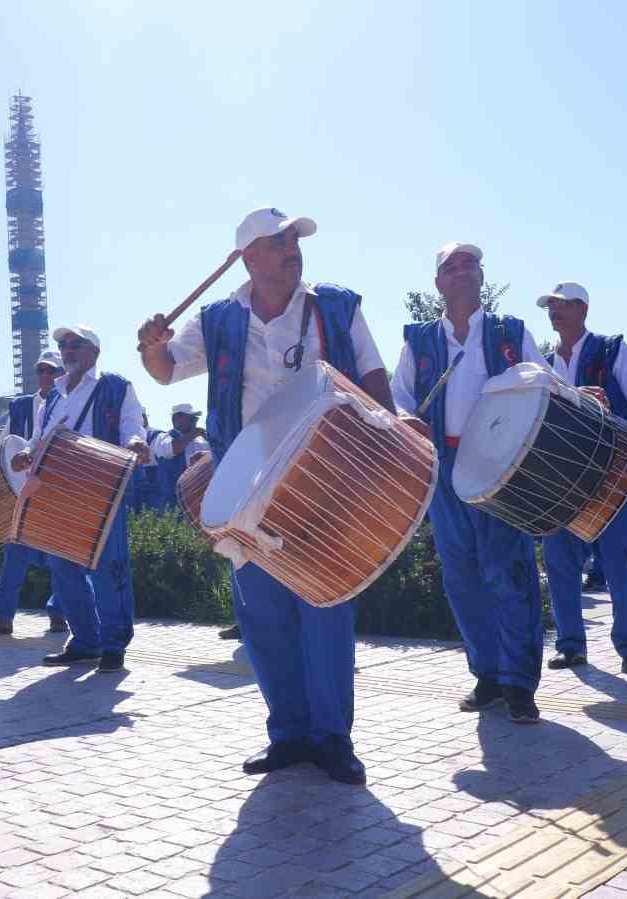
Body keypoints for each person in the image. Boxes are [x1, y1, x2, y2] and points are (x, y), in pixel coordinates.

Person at [137, 207, 395, 785]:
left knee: (324, 605)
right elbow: (163, 370)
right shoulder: (217, 319)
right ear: (247, 257)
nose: (292, 249)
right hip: (248, 483)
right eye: (278, 242)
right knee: (264, 613)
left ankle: (333, 739)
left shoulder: (337, 305)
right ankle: (289, 733)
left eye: (294, 241)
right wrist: (151, 345)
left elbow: (375, 378)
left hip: (327, 474)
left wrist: (389, 436)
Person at [391, 242, 546, 723]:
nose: (461, 273)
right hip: (442, 464)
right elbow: (397, 395)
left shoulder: (509, 332)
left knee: (509, 571)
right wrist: (405, 421)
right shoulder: (418, 341)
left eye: (470, 265)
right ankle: (487, 674)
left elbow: (542, 382)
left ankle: (520, 682)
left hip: (500, 465)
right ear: (438, 283)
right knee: (462, 577)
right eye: (450, 267)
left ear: (481, 276)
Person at [538, 281, 627, 675]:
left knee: (620, 561)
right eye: (550, 306)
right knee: (559, 561)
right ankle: (571, 645)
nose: (554, 311)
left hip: (611, 473)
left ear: (582, 309)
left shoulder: (612, 349)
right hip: (562, 477)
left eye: (561, 305)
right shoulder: (542, 362)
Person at [12, 324, 148, 673]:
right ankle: (86, 641)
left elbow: (133, 425)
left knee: (109, 567)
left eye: (76, 344)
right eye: (63, 344)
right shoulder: (53, 394)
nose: (68, 350)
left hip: (102, 486)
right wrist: (27, 453)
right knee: (63, 569)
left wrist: (134, 443)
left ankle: (114, 644)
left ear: (95, 352)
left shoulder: (116, 386)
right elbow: (40, 437)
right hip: (58, 490)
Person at [0, 349, 66, 635]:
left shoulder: (69, 404)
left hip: (55, 491)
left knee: (60, 555)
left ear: (61, 373)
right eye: (41, 370)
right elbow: (3, 443)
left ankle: (59, 613)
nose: (45, 376)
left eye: (51, 370)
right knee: (14, 552)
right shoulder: (20, 406)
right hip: (24, 491)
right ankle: (2, 617)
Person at [149, 402, 209, 512]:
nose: (195, 421)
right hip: (172, 500)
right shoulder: (163, 438)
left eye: (195, 418)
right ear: (176, 419)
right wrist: (194, 434)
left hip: (197, 497)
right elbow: (172, 449)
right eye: (191, 418)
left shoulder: (200, 439)